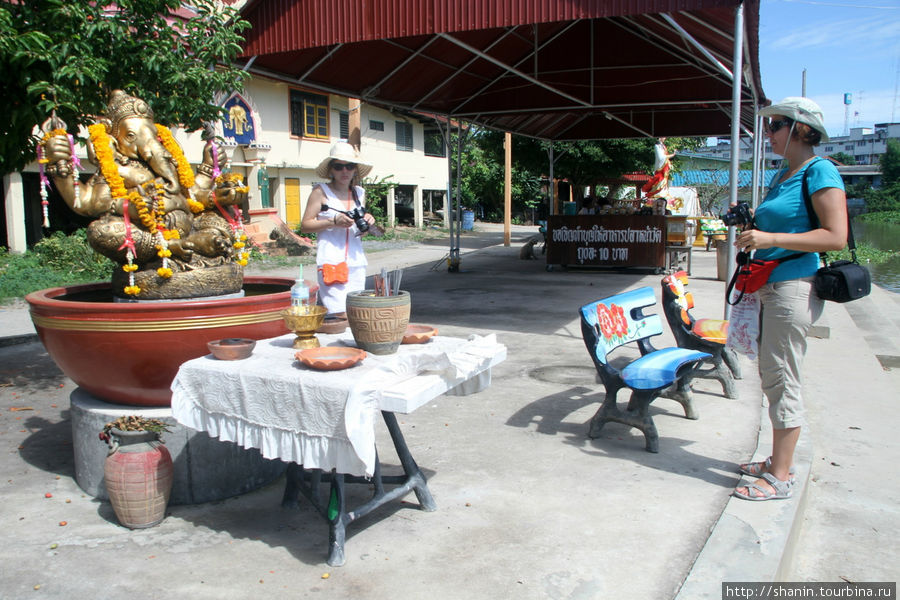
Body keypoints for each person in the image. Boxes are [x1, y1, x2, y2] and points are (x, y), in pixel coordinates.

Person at [732, 97, 848, 501]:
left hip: (792, 287)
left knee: (782, 377)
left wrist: (770, 238)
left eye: (775, 125)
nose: (768, 133)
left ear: (800, 128)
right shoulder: (786, 173)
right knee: (772, 373)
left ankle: (780, 476)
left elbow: (836, 235)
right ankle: (778, 460)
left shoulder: (819, 171)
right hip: (770, 284)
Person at [301, 141, 376, 316]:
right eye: (339, 166)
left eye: (349, 166)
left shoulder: (359, 192)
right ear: (331, 170)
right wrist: (333, 222)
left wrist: (367, 222)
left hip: (356, 262)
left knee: (356, 312)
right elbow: (305, 225)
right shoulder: (320, 192)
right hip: (332, 261)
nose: (344, 171)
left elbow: (360, 232)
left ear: (355, 169)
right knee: (338, 313)